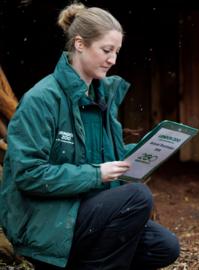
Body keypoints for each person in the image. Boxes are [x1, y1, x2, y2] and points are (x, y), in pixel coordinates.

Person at [0, 3, 180, 269]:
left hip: (87, 213)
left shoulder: (101, 97)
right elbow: (29, 175)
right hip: (45, 220)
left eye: (117, 52)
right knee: (138, 197)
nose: (113, 60)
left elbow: (102, 159)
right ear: (80, 44)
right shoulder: (42, 99)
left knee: (163, 247)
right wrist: (96, 174)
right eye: (106, 50)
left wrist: (141, 157)